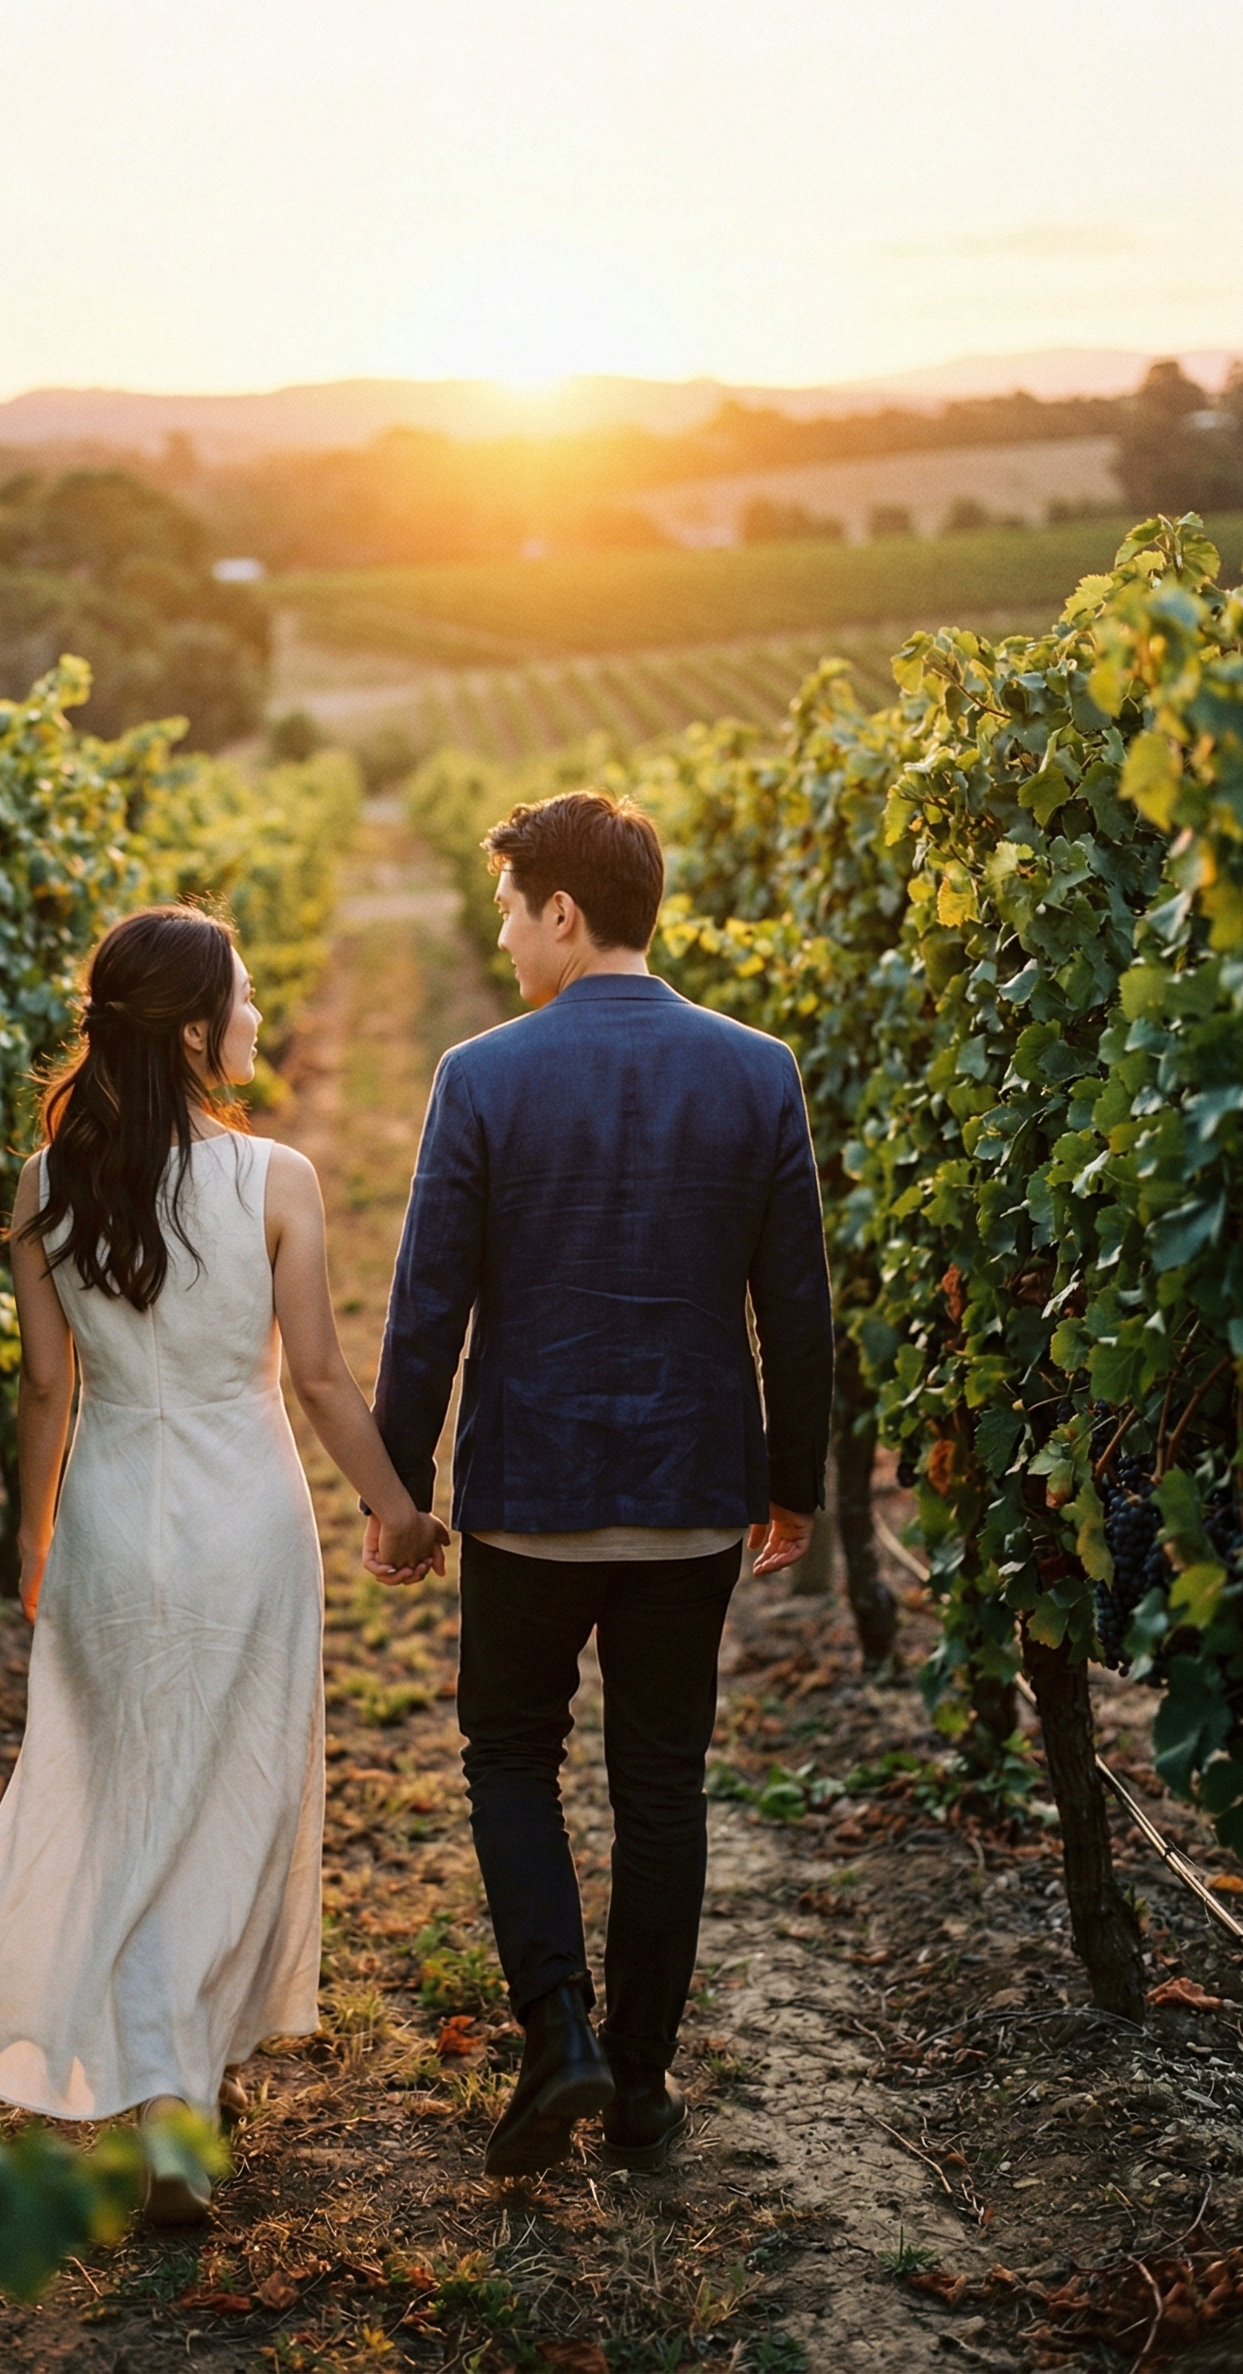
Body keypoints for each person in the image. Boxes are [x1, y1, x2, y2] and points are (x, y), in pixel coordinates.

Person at [0, 904, 445, 2223]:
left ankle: (161, 2097)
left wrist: (30, 1542)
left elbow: (44, 1388)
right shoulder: (276, 1181)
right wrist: (396, 1511)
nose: (255, 1018)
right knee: (231, 1801)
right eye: (243, 1000)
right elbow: (317, 1378)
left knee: (123, 1799)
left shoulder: (45, 1185)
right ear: (198, 1028)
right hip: (246, 1522)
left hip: (105, 1519)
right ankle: (179, 2096)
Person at [368, 790, 832, 2180]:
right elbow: (798, 1306)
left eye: (512, 908)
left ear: (562, 910)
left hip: (530, 1491)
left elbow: (426, 1302)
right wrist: (791, 1482)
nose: (507, 936)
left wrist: (403, 1488)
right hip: (692, 1488)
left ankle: (556, 2028)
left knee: (513, 1755)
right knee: (662, 1785)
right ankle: (640, 2090)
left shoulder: (484, 1074)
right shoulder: (760, 1071)